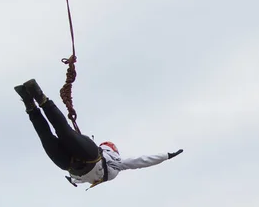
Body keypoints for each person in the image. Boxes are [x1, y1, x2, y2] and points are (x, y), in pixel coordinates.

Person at [14, 79, 184, 189]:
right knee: (63, 133)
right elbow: (140, 162)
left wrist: (166, 156)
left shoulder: (113, 162)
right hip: (88, 158)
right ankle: (39, 96)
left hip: (71, 165)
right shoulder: (115, 162)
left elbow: (140, 161)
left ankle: (30, 103)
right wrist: (165, 156)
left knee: (48, 137)